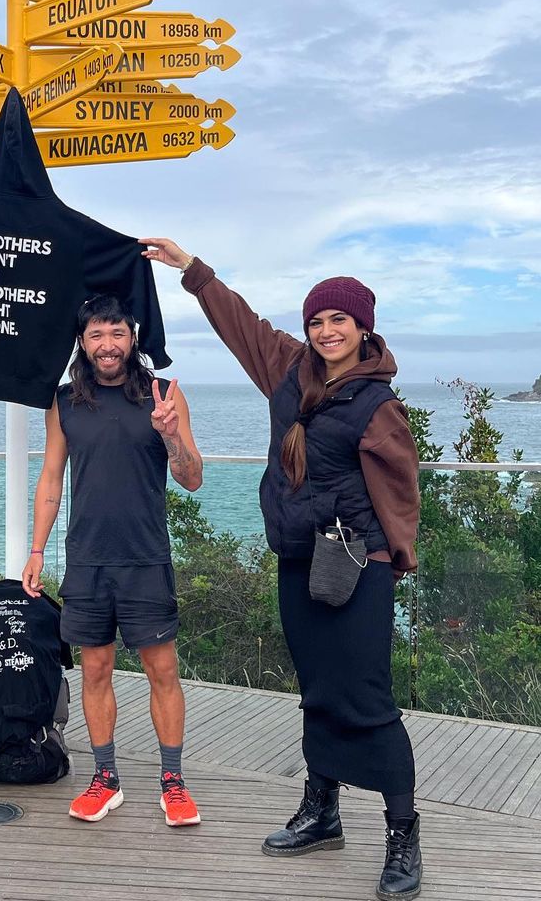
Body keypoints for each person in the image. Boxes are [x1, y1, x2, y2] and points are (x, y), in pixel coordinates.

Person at [141, 239, 422, 901]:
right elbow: (241, 325)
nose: (326, 331)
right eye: (317, 321)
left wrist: (390, 564)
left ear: (363, 328)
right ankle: (322, 810)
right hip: (299, 559)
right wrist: (192, 271)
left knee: (368, 700)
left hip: (357, 566)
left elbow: (401, 491)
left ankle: (403, 832)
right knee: (317, 689)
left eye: (339, 320)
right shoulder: (291, 370)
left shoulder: (376, 405)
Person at [21, 294, 203, 827]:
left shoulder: (163, 394)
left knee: (162, 670)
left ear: (133, 337)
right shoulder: (62, 402)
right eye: (97, 335)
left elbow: (192, 477)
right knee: (95, 669)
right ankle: (106, 778)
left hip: (146, 558)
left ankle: (173, 781)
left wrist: (171, 434)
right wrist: (36, 550)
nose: (108, 345)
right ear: (82, 341)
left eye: (117, 333)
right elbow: (51, 479)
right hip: (87, 561)